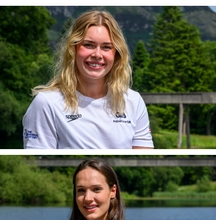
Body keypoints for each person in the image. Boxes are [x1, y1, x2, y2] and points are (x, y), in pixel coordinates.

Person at [23, 10, 154, 149]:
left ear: (116, 54)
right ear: (73, 49)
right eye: (89, 45)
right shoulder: (47, 103)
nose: (97, 54)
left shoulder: (134, 101)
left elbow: (143, 154)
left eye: (106, 47)